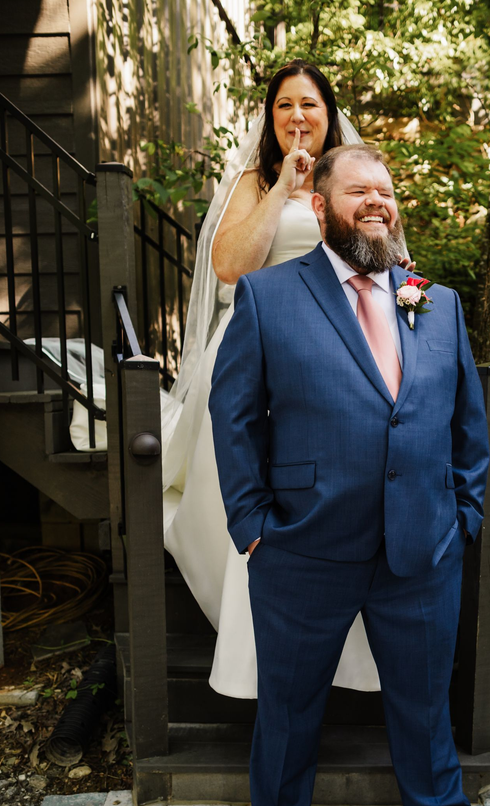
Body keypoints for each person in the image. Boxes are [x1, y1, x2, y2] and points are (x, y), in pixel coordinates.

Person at [209, 143, 490, 806]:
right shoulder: (270, 297)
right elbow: (233, 414)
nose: (375, 201)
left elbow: (467, 425)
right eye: (357, 192)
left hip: (421, 546)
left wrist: (462, 516)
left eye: (384, 190)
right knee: (288, 700)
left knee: (421, 697)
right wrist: (251, 525)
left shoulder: (435, 301)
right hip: (302, 546)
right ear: (321, 207)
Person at [161, 61, 382, 698]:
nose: (296, 117)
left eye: (308, 105)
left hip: (332, 352)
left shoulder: (350, 180)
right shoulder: (252, 180)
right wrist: (282, 186)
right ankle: (255, 658)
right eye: (284, 106)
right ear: (271, 117)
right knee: (251, 479)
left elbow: (381, 259)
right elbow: (230, 268)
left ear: (328, 112)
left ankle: (345, 651)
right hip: (253, 350)